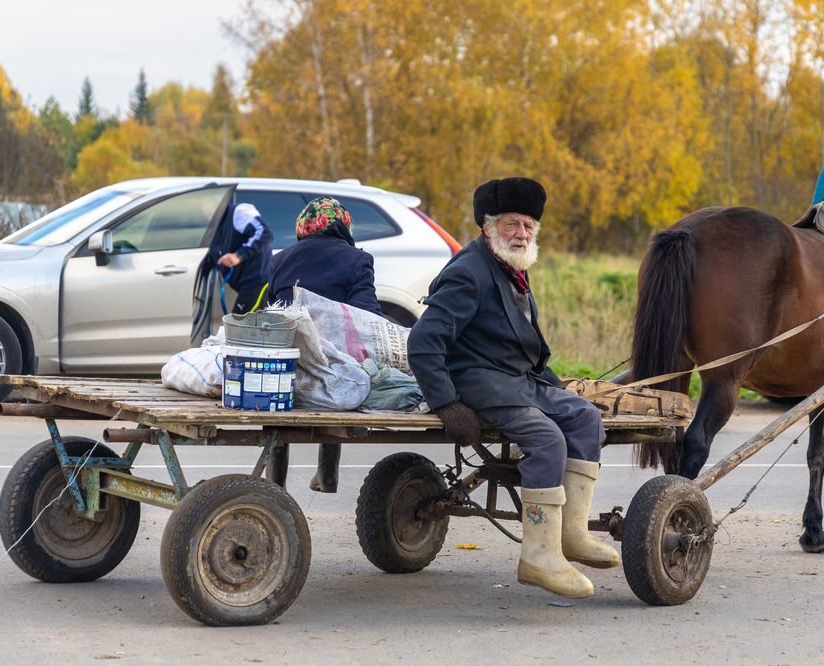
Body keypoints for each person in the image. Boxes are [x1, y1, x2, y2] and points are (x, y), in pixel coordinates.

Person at [407, 177, 617, 599]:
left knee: (585, 418)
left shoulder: (511, 268)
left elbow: (524, 346)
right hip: (480, 384)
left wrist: (560, 390)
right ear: (488, 227)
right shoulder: (469, 272)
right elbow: (423, 342)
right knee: (547, 439)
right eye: (511, 225)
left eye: (527, 226)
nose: (521, 234)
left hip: (517, 381)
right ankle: (538, 558)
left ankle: (571, 535)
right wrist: (447, 404)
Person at [266, 196, 382, 493]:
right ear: (343, 225)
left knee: (281, 406)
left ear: (303, 226)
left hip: (287, 367)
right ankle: (326, 474)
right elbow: (366, 316)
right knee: (342, 373)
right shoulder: (357, 259)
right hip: (332, 371)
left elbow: (273, 312)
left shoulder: (279, 259)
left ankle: (275, 482)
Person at [207, 202, 274, 314]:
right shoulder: (213, 224)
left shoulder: (238, 211)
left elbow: (264, 232)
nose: (205, 207)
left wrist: (239, 255)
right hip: (246, 286)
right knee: (249, 328)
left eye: (207, 201)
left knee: (238, 328)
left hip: (257, 281)